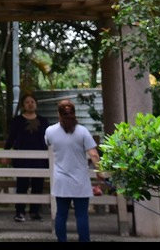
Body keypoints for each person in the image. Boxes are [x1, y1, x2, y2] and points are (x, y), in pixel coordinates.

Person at [45, 100, 102, 242]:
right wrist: (100, 172)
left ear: (59, 114)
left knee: (61, 215)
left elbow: (47, 142)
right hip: (80, 181)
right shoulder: (82, 131)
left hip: (61, 180)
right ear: (74, 113)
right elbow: (94, 154)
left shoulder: (50, 131)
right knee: (82, 215)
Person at [4, 93, 48, 222]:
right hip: (21, 157)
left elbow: (48, 139)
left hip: (40, 157)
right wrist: (6, 153)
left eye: (32, 102)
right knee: (22, 184)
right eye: (27, 102)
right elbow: (11, 137)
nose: (30, 104)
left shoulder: (44, 121)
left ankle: (35, 211)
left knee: (38, 184)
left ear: (36, 104)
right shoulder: (17, 120)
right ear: (23, 105)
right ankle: (20, 211)